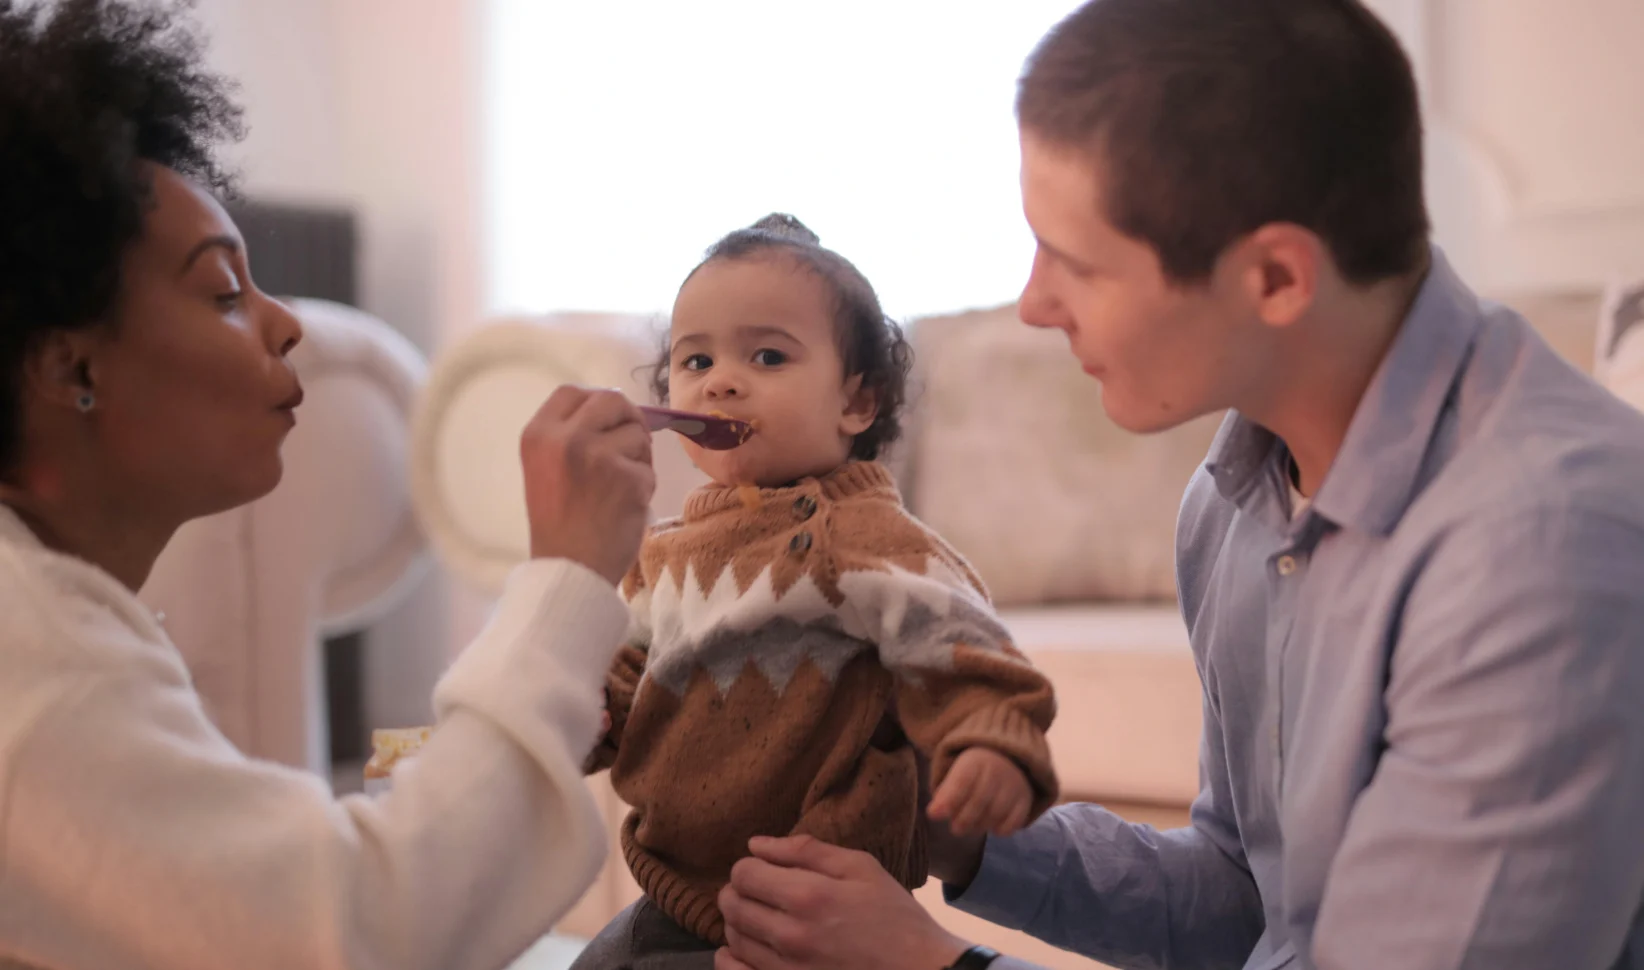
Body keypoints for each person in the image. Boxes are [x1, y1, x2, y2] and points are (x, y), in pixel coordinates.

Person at [714, 2, 1644, 969]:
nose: (1033, 305)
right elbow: (1252, 899)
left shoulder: (1545, 551)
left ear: (1277, 278)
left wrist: (931, 963)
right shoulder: (1237, 497)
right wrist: (954, 831)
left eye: (1075, 261)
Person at [0, 3, 655, 969]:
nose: (287, 324)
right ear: (68, 368)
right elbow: (361, 926)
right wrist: (564, 584)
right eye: (224, 292)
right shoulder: (36, 660)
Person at [566, 214, 1059, 970]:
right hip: (671, 890)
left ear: (857, 404)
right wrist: (582, 715)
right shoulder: (660, 555)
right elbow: (625, 678)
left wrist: (992, 738)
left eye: (767, 355)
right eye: (695, 360)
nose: (722, 379)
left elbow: (960, 646)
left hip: (816, 912)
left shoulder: (859, 536)